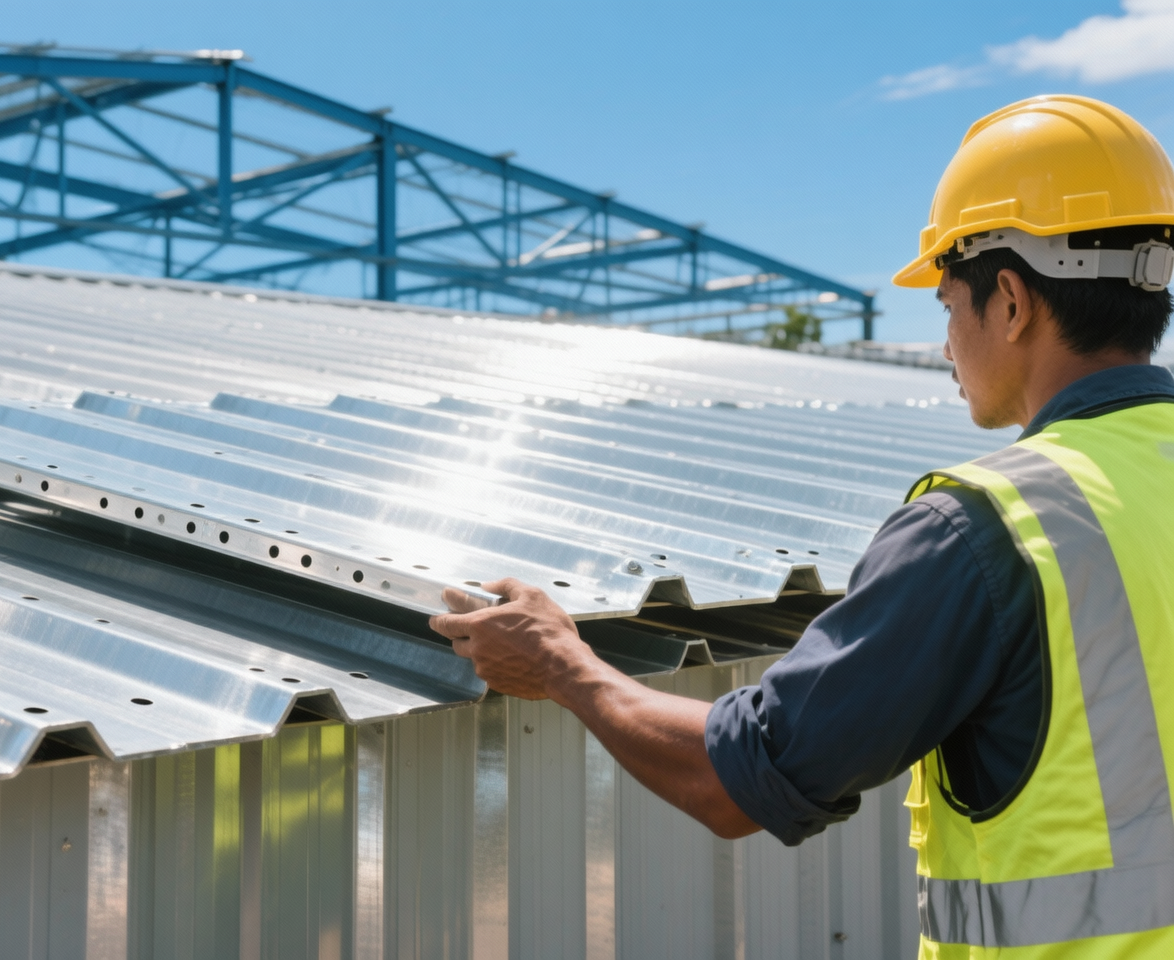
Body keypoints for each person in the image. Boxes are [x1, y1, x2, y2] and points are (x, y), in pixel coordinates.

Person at [431, 94, 1174, 956]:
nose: (942, 345)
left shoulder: (986, 532)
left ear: (1009, 301)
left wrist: (562, 664)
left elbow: (735, 782)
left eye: (945, 306)